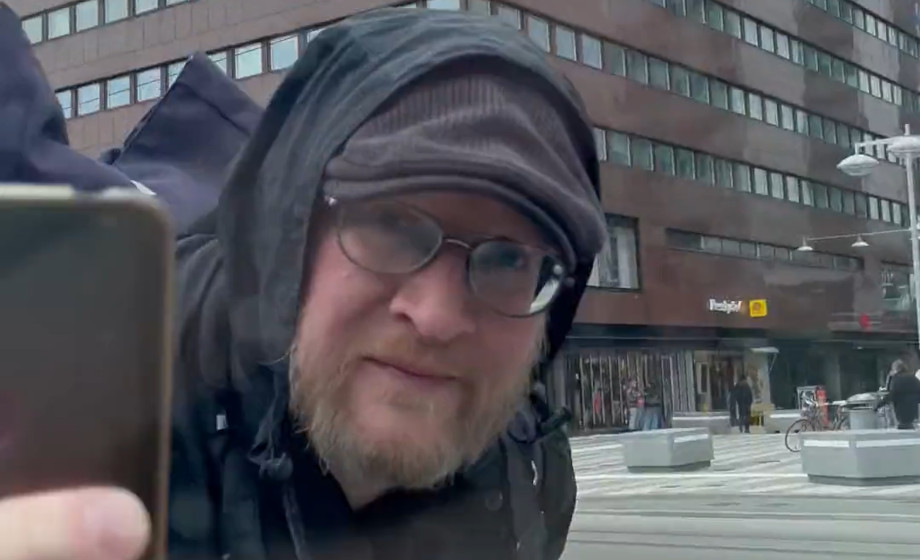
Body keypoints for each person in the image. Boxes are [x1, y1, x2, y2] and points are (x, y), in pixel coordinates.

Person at [0, 8, 606, 560]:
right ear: (285, 233)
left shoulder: (530, 468)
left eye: (507, 261)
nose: (437, 316)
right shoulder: (79, 420)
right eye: (392, 226)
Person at [875, 359, 920, 430]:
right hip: (913, 410)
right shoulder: (913, 378)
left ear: (896, 369)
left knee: (903, 428)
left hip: (901, 411)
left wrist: (878, 405)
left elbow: (892, 394)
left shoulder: (897, 379)